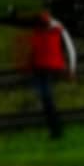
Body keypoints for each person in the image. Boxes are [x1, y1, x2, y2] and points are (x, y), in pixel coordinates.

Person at [23, 9, 76, 137]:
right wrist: (71, 69)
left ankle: (56, 129)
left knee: (46, 98)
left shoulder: (47, 30)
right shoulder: (55, 29)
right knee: (46, 98)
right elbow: (69, 48)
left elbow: (33, 49)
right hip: (47, 67)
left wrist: (71, 69)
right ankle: (54, 128)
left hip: (44, 68)